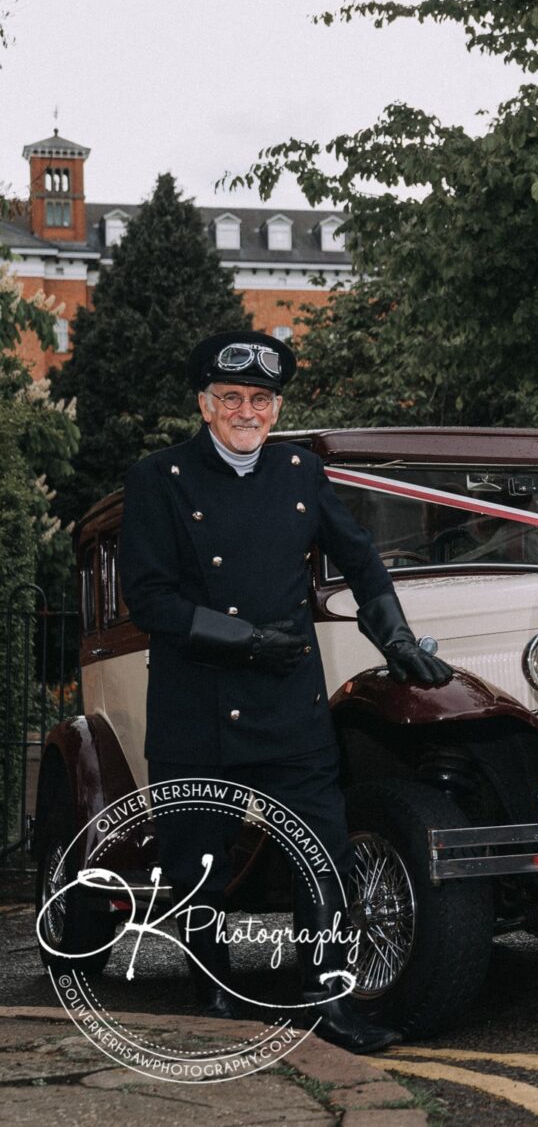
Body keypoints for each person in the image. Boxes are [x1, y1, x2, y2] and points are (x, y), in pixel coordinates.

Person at [120, 329, 454, 1052]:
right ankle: (214, 991)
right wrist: (242, 639)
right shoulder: (158, 476)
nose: (248, 411)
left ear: (276, 409)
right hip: (198, 703)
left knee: (322, 853)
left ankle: (329, 999)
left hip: (288, 701)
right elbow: (148, 598)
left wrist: (396, 639)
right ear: (205, 404)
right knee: (198, 862)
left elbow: (361, 561)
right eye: (232, 398)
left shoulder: (300, 472)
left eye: (261, 400)